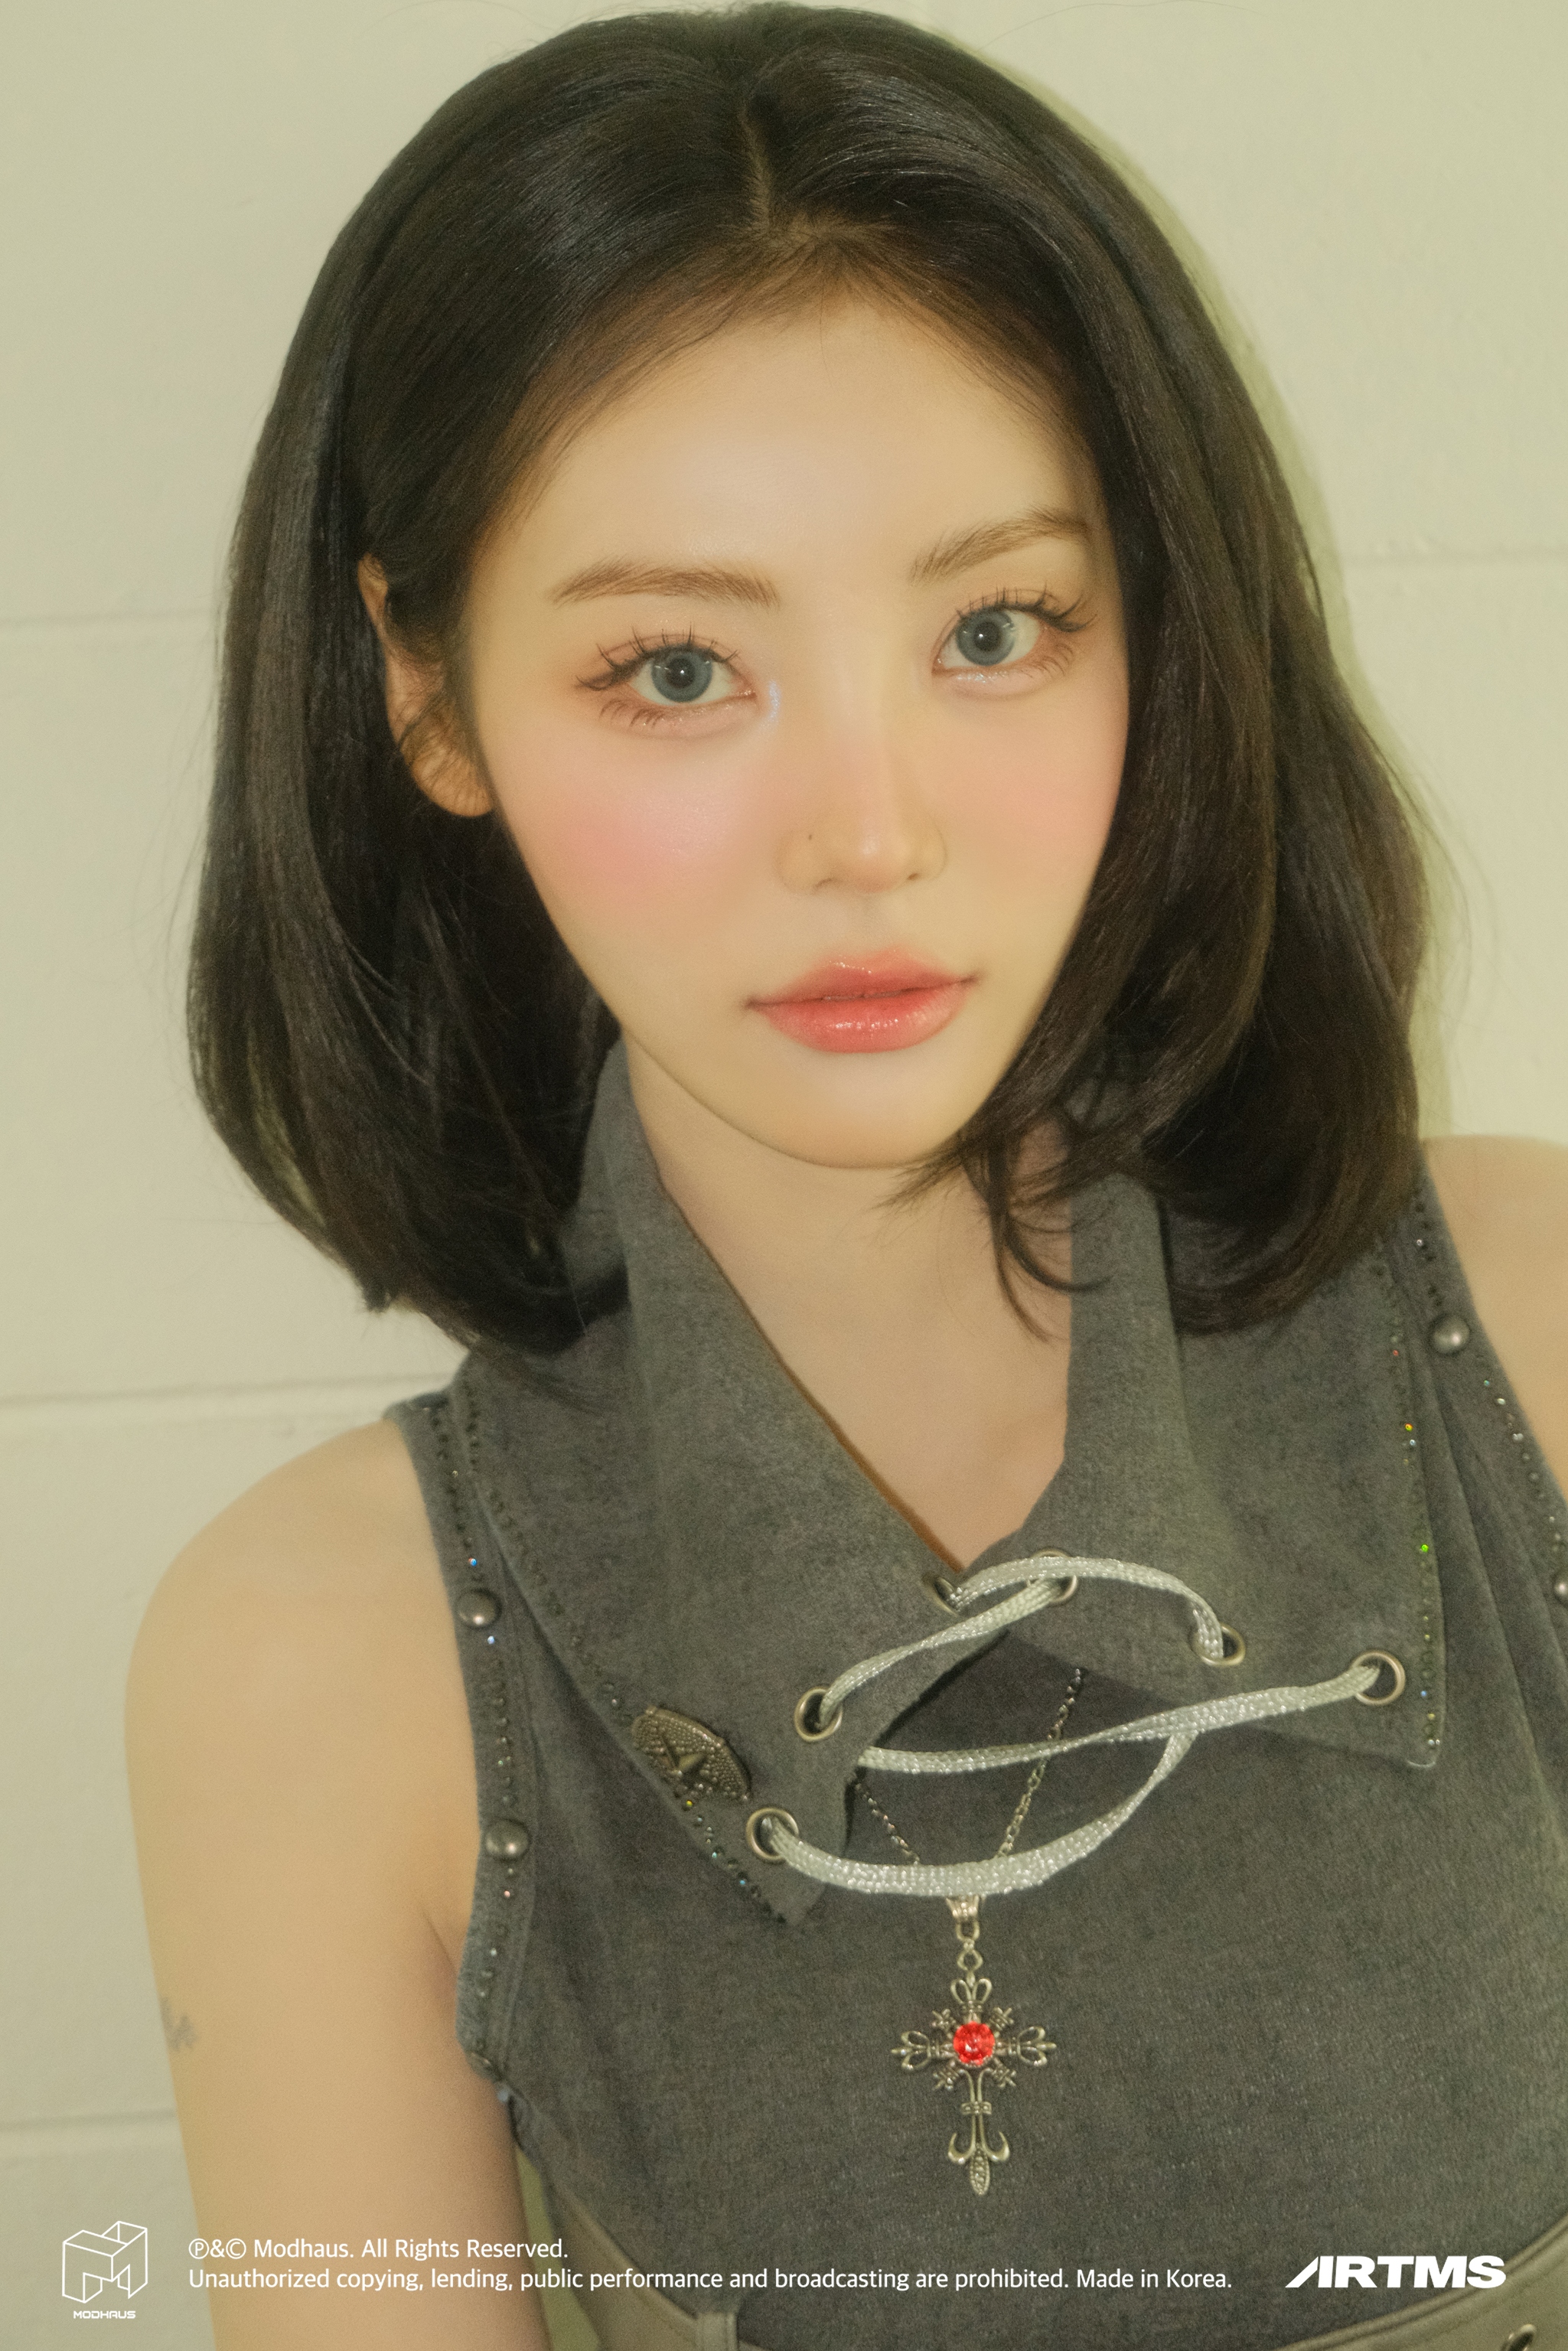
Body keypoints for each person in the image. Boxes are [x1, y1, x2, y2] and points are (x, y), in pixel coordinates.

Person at [125, 8, 1568, 2349]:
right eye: (676, 669)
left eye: (993, 630)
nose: (869, 833)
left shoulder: (1540, 1335)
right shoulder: (314, 1669)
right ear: (427, 694)